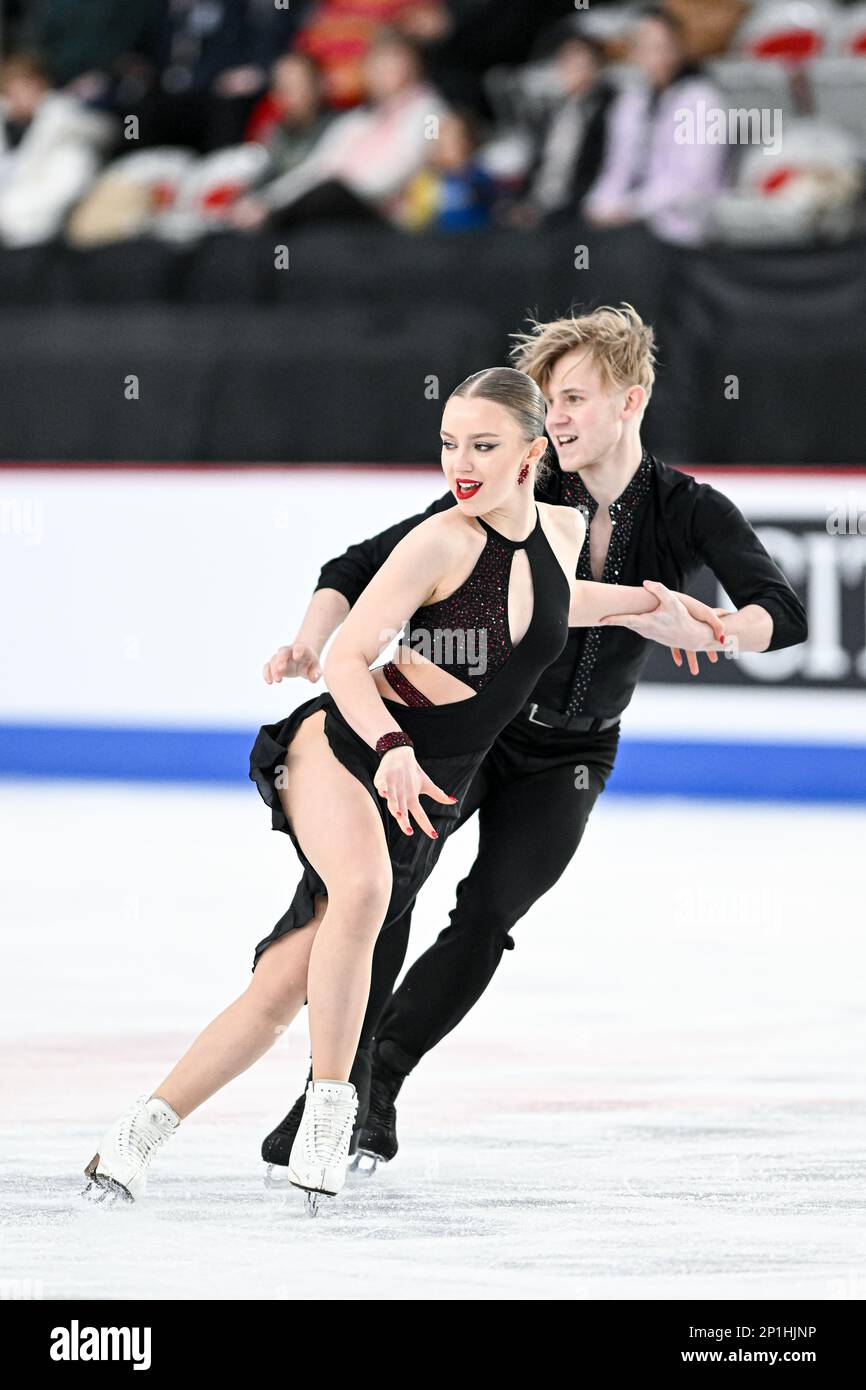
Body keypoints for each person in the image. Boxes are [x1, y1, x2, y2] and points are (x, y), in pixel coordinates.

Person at [82, 365, 723, 1208]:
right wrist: (386, 745)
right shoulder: (439, 540)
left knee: (283, 985)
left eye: (484, 445)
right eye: (450, 441)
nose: (460, 460)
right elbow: (350, 656)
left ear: (532, 454)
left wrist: (654, 602)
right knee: (368, 890)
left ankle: (132, 1137)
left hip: (427, 785)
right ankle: (330, 1106)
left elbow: (558, 604)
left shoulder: (560, 534)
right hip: (349, 747)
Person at [259, 304, 808, 1175]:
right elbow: (356, 566)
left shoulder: (686, 507)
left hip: (574, 757)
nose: (554, 417)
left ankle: (381, 1087)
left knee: (485, 919)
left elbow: (782, 614)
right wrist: (308, 637)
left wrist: (715, 631)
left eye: (576, 398)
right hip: (477, 734)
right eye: (549, 399)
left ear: (631, 402)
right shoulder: (517, 489)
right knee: (382, 895)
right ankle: (333, 1090)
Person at [230, 29, 448, 231]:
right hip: (334, 203)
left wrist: (344, 189)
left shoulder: (429, 111)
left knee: (328, 194)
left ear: (413, 66)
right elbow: (316, 168)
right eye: (374, 63)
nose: (378, 72)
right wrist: (266, 201)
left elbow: (411, 164)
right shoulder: (356, 120)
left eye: (390, 63)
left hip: (388, 216)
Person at [583, 6, 727, 246]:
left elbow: (693, 181)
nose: (657, 55)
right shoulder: (632, 102)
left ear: (679, 47)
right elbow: (617, 169)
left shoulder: (703, 100)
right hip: (631, 221)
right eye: (646, 46)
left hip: (682, 226)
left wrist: (630, 208)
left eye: (663, 45)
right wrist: (599, 205)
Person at [0, 51, 113, 248]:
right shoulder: (7, 124)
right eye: (11, 90)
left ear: (41, 85)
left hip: (39, 233)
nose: (19, 97)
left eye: (25, 87)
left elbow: (113, 129)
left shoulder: (68, 125)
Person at [506, 31, 615, 231]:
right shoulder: (553, 112)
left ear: (597, 68)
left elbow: (599, 171)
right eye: (567, 64)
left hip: (572, 211)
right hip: (537, 204)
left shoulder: (608, 113)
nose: (572, 71)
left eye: (581, 65)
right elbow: (538, 164)